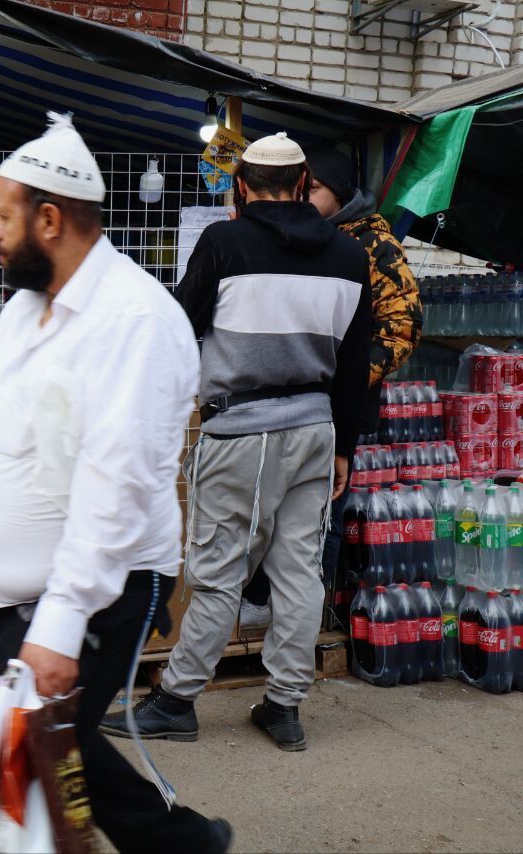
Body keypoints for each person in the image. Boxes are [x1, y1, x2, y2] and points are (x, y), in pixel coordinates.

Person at [0, 113, 230, 853]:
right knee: (47, 747)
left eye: (2, 215)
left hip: (96, 593)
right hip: (17, 593)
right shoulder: (31, 304)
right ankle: (184, 846)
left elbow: (116, 486)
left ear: (49, 219)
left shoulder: (136, 323)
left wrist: (58, 627)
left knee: (23, 763)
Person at [101, 132, 371, 752]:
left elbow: (180, 328)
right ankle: (284, 707)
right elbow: (354, 365)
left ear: (241, 186)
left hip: (242, 428)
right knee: (299, 572)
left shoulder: (224, 242)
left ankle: (177, 700)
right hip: (314, 428)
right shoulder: (350, 258)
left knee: (220, 569)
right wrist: (343, 447)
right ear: (304, 184)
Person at [239, 146, 423, 629]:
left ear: (338, 194)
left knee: (321, 517)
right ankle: (265, 607)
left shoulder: (372, 243)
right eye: (302, 187)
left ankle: (303, 619)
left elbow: (402, 326)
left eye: (313, 189)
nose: (303, 197)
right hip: (290, 401)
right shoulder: (305, 236)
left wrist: (340, 376)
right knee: (273, 510)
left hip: (337, 408)